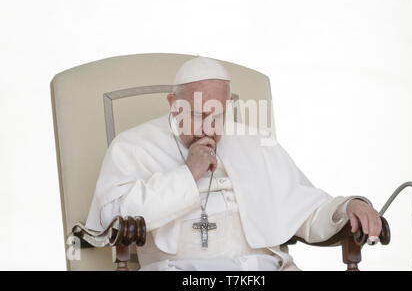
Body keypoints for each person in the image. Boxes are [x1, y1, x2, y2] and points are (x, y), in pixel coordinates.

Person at [85, 56, 382, 271]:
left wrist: (348, 207)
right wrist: (187, 174)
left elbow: (306, 208)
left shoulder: (255, 142)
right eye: (200, 115)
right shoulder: (132, 146)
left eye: (219, 115)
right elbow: (115, 218)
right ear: (174, 105)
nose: (211, 129)